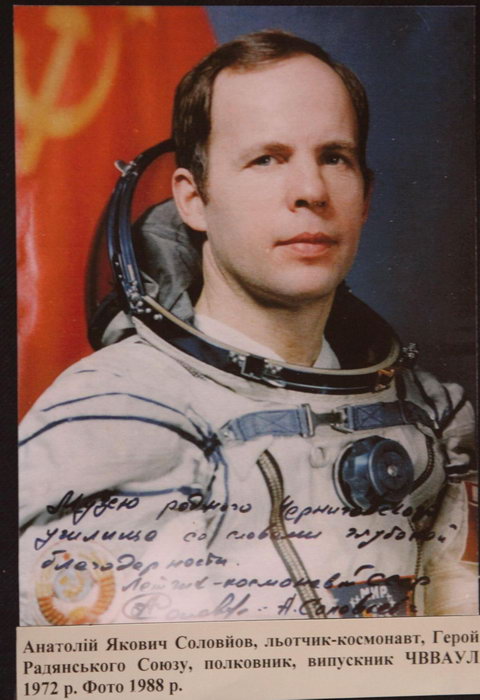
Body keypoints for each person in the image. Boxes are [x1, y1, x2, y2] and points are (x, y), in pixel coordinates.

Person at [19, 30, 476, 625]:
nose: (311, 192)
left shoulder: (432, 418)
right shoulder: (115, 424)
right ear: (193, 200)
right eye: (267, 159)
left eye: (334, 157)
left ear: (366, 196)